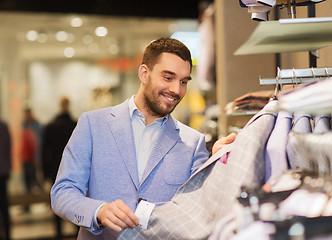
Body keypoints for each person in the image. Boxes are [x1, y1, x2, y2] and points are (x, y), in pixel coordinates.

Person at [51, 37, 236, 239]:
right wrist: (98, 211)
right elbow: (63, 192)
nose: (176, 90)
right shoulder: (92, 124)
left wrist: (217, 165)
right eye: (168, 78)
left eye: (183, 81)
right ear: (144, 74)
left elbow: (199, 204)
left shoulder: (193, 143)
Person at [42, 97, 77, 239]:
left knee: (57, 201)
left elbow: (45, 153)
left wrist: (46, 173)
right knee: (75, 201)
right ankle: (76, 233)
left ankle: (59, 234)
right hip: (75, 170)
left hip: (56, 170)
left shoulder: (51, 127)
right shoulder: (75, 125)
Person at [21, 108, 43, 195]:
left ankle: (42, 196)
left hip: (33, 156)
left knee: (35, 177)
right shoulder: (24, 125)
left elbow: (38, 141)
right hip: (25, 156)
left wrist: (37, 156)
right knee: (26, 178)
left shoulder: (35, 125)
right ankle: (27, 202)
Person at [0, 119, 12, 240]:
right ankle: (7, 234)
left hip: (3, 170)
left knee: (4, 205)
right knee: (4, 205)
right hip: (3, 170)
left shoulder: (3, 126)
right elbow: (8, 148)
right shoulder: (3, 126)